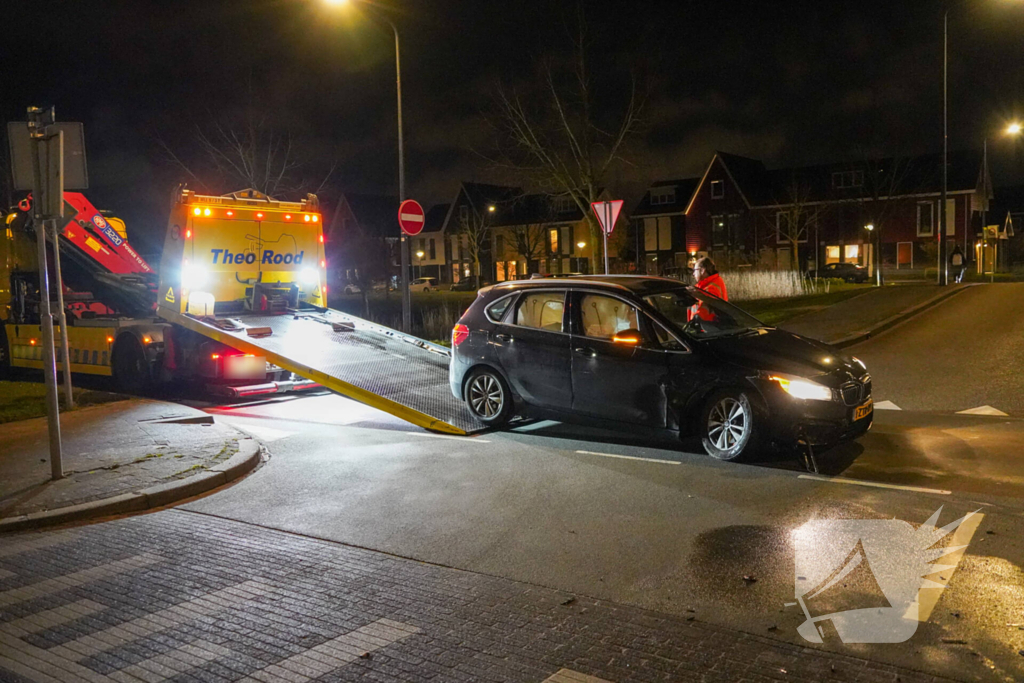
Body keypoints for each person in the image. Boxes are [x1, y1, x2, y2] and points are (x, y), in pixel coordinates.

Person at [689, 257, 727, 322]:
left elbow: (705, 306)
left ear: (703, 270)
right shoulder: (709, 283)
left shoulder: (711, 288)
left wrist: (696, 320)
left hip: (706, 328)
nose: (693, 273)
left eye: (695, 270)